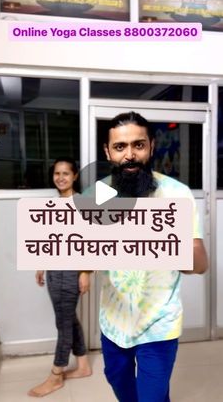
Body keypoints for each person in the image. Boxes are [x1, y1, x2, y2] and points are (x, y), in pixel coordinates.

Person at [98, 112, 208, 402]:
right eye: (120, 147)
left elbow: (200, 264)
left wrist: (168, 244)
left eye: (138, 145)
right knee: (118, 379)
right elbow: (83, 252)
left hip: (159, 322)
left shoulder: (177, 194)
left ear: (151, 147)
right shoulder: (96, 195)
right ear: (108, 151)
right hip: (113, 320)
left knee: (152, 396)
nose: (130, 155)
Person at [28, 157, 92, 398]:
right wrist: (41, 264)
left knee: (63, 324)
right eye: (57, 173)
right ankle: (83, 365)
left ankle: (56, 374)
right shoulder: (55, 204)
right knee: (69, 319)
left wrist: (85, 272)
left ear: (75, 176)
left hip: (71, 272)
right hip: (55, 272)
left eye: (66, 173)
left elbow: (90, 242)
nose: (61, 177)